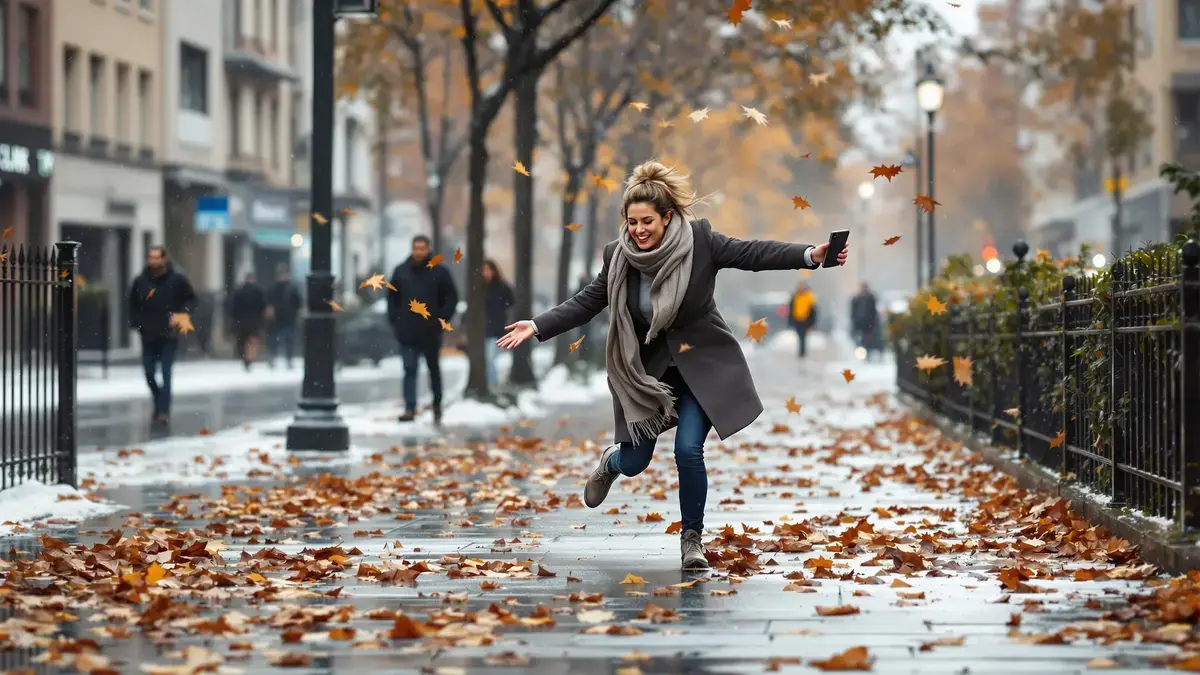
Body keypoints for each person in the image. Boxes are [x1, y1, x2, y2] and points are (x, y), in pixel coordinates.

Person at [496, 160, 848, 570]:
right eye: (631, 222)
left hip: (700, 370)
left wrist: (809, 255)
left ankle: (692, 540)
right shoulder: (619, 258)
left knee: (688, 450)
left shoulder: (700, 242)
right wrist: (537, 325)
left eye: (647, 221)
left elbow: (752, 253)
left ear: (667, 217)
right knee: (635, 463)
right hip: (648, 377)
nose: (638, 230)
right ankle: (612, 461)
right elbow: (587, 302)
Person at [387, 234, 459, 424]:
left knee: (433, 368)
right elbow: (392, 298)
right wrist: (396, 320)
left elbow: (451, 297)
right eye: (416, 248)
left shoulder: (440, 272)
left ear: (428, 249)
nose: (418, 252)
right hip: (407, 331)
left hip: (431, 331)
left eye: (422, 248)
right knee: (409, 369)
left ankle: (437, 404)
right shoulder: (400, 272)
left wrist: (441, 319)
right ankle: (410, 408)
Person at [127, 246, 197, 428]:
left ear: (164, 260)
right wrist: (137, 323)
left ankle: (163, 411)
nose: (154, 261)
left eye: (157, 258)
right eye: (151, 257)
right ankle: (159, 403)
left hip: (169, 335)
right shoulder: (140, 281)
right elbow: (132, 304)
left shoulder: (178, 280)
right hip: (148, 335)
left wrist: (180, 316)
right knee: (149, 373)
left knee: (166, 374)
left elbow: (191, 300)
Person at [481, 259, 515, 387]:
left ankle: (492, 384)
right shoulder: (480, 287)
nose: (486, 273)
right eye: (484, 270)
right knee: (487, 359)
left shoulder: (502, 286)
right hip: (483, 329)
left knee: (490, 359)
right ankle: (490, 383)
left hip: (496, 328)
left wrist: (502, 312)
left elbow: (512, 301)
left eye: (489, 270)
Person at [265, 264, 302, 369]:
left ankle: (288, 359)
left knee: (289, 340)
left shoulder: (292, 289)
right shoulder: (274, 289)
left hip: (289, 319)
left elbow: (298, 303)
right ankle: (273, 357)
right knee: (275, 340)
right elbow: (269, 302)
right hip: (277, 319)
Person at [229, 272, 268, 371]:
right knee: (251, 342)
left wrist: (234, 319)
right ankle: (249, 358)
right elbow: (263, 307)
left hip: (242, 322)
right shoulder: (258, 292)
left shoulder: (239, 291)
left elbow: (234, 308)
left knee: (242, 342)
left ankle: (245, 358)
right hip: (254, 322)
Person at [850, 282, 880, 361]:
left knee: (867, 340)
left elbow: (873, 312)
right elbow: (853, 312)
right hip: (860, 324)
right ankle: (862, 354)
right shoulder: (856, 299)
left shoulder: (871, 299)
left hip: (868, 325)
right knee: (860, 340)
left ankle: (867, 354)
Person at [788, 281, 818, 359]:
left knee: (803, 336)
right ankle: (801, 352)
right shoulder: (795, 296)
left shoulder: (809, 296)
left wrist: (813, 322)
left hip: (806, 320)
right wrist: (790, 321)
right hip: (797, 319)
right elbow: (791, 309)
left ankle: (802, 352)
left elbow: (813, 310)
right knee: (800, 336)